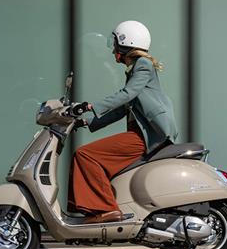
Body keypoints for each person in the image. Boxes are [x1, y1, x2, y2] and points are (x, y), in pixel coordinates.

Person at [68, 20, 178, 224]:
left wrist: (92, 106)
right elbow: (121, 110)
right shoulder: (137, 69)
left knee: (86, 155)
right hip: (139, 134)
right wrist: (86, 122)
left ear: (127, 44)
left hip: (145, 137)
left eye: (116, 45)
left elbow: (127, 95)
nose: (113, 51)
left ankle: (106, 209)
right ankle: (97, 209)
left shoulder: (143, 66)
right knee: (90, 155)